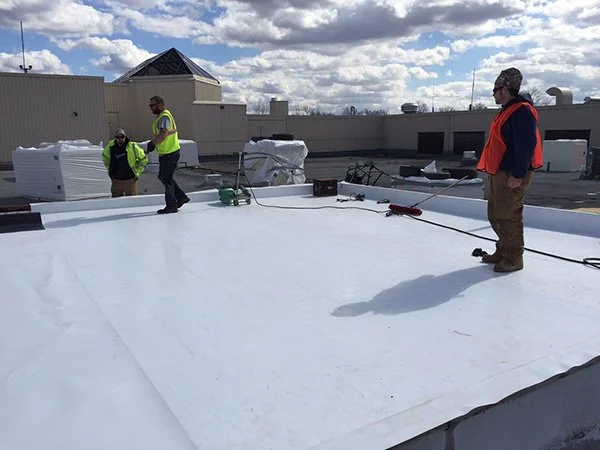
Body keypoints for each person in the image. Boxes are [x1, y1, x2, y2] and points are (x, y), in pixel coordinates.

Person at [477, 67, 543, 273]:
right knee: (495, 213)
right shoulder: (506, 110)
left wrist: (518, 174)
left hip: (512, 173)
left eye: (494, 90)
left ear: (503, 89)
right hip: (500, 172)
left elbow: (526, 144)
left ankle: (514, 258)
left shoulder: (522, 110)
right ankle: (503, 250)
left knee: (508, 215)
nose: (493, 94)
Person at [146, 96, 190, 214]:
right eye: (150, 106)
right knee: (164, 177)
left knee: (166, 178)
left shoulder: (164, 117)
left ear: (160, 104)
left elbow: (163, 134)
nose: (151, 108)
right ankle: (181, 197)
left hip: (170, 153)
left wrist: (152, 143)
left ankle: (172, 205)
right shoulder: (161, 117)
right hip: (167, 153)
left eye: (152, 105)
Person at [102, 128, 148, 197]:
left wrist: (137, 172)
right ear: (115, 138)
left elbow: (143, 159)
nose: (120, 139)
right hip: (116, 181)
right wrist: (110, 170)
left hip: (130, 181)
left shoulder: (132, 147)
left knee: (132, 203)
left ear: (125, 136)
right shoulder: (110, 148)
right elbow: (105, 158)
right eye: (118, 137)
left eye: (122, 136)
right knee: (116, 204)